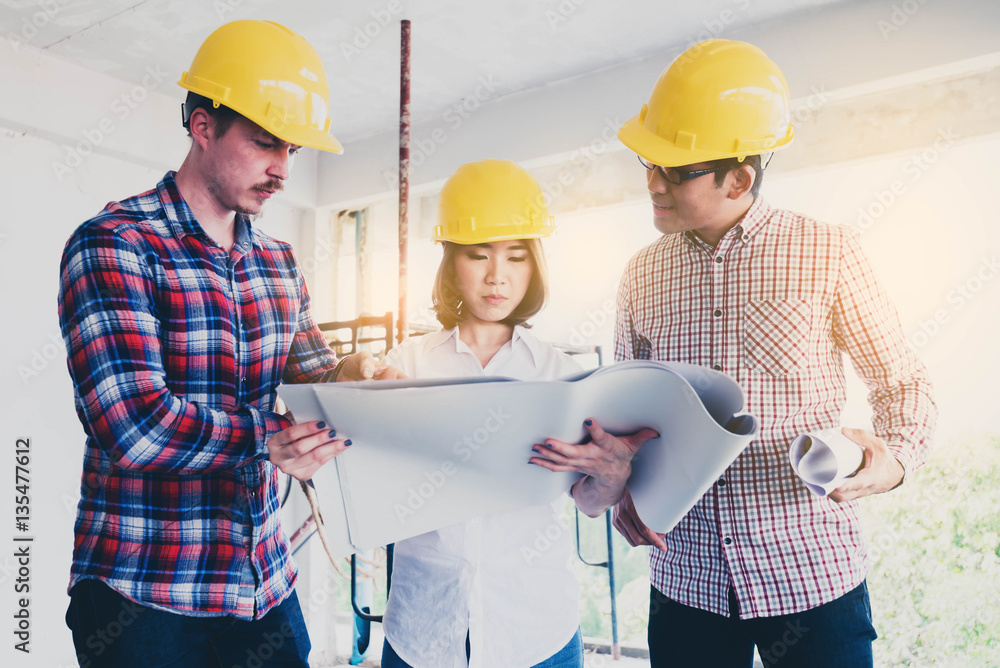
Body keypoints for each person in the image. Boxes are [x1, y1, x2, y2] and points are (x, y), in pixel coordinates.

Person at [58, 20, 399, 667]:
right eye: (266, 143)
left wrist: (362, 379)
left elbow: (315, 378)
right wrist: (268, 438)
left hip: (260, 582)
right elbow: (131, 427)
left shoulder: (278, 261)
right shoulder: (114, 244)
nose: (282, 169)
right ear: (203, 126)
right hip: (143, 596)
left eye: (294, 150)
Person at [611, 39, 937, 667]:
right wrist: (622, 482)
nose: (652, 182)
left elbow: (903, 385)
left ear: (740, 178)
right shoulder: (639, 275)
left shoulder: (828, 253)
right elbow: (627, 418)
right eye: (648, 163)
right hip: (686, 582)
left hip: (811, 573)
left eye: (676, 171)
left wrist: (892, 463)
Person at [378, 159, 657, 668]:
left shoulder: (563, 374)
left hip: (534, 630)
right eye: (478, 255)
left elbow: (590, 502)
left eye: (515, 257)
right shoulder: (404, 366)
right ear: (450, 263)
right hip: (423, 627)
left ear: (535, 267)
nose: (495, 277)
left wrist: (613, 479)